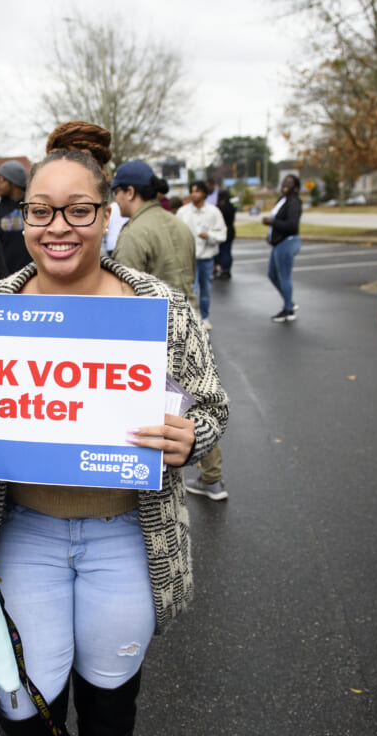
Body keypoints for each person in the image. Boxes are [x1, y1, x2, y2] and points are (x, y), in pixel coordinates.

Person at [0, 122, 228, 736]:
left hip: (126, 533)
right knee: (21, 691)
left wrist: (195, 438)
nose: (57, 227)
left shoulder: (159, 307)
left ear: (106, 215)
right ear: (21, 215)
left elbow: (211, 408)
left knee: (108, 688)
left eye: (78, 209)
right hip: (23, 532)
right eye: (40, 210)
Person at [111, 160, 229, 503]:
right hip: (190, 325)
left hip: (156, 336)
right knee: (198, 409)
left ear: (130, 192)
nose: (116, 202)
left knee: (166, 414)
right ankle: (212, 477)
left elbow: (125, 299)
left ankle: (152, 483)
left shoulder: (134, 233)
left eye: (117, 192)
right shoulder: (177, 224)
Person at [175, 180, 226, 330]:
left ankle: (204, 317)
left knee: (206, 290)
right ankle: (192, 318)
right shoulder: (183, 212)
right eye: (192, 191)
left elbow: (222, 233)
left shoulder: (213, 212)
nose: (194, 194)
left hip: (207, 258)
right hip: (189, 258)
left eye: (197, 191)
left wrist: (209, 235)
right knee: (192, 289)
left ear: (204, 193)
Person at [262, 175, 302, 322]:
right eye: (285, 181)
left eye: (290, 182)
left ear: (296, 187)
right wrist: (271, 236)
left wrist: (272, 222)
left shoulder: (294, 203)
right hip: (278, 243)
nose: (286, 184)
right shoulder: (282, 200)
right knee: (272, 274)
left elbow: (292, 225)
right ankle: (288, 300)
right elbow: (279, 222)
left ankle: (288, 311)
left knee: (284, 277)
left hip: (288, 242)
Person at [0, 159, 34, 279]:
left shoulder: (34, 205)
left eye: (1, 180)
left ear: (13, 182)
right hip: (5, 278)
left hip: (32, 275)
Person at [215, 190, 237, 279]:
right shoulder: (231, 207)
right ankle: (227, 269)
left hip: (222, 230)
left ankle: (223, 268)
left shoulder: (219, 208)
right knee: (227, 250)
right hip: (231, 229)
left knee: (222, 251)